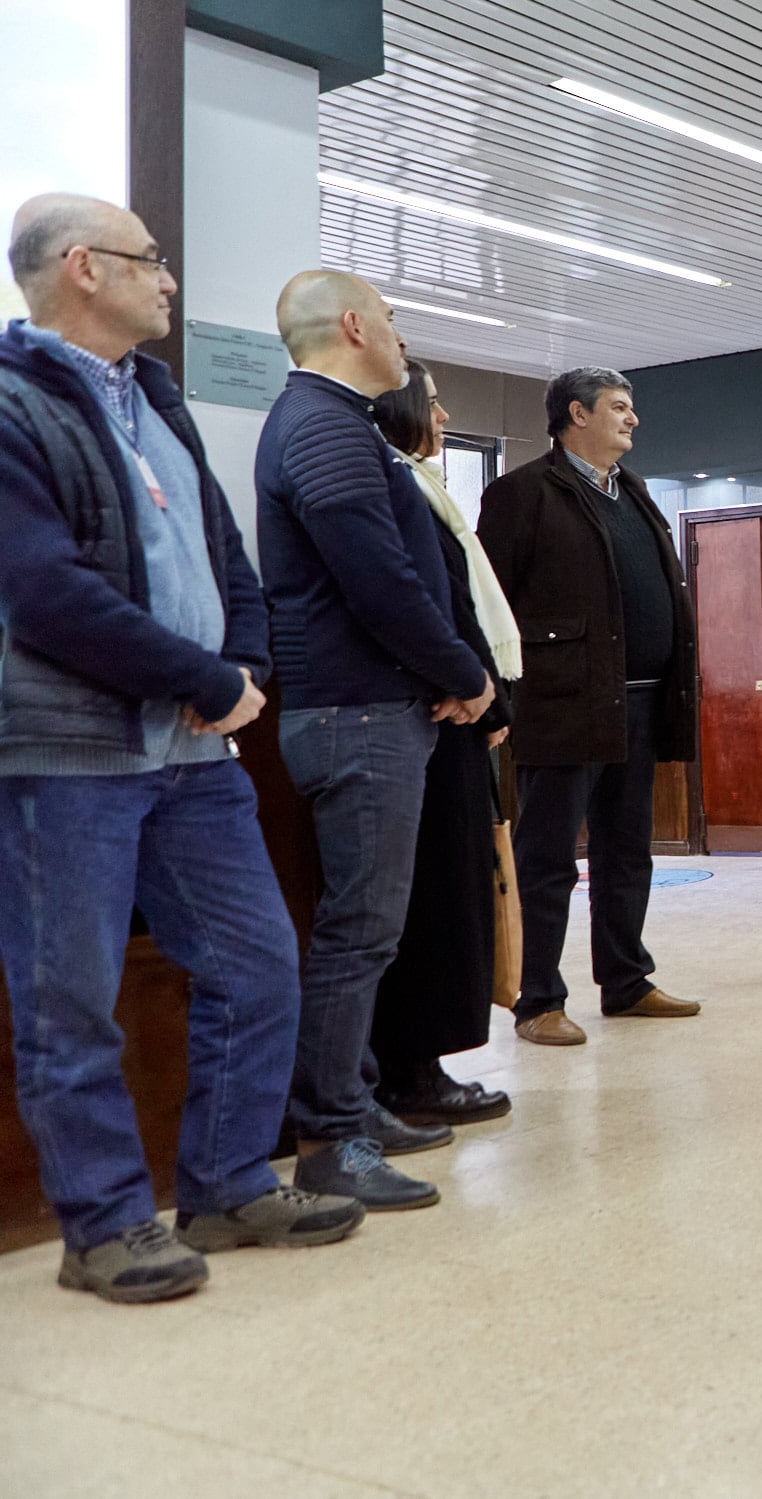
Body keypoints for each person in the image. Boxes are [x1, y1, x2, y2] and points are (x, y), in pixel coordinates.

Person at [0, 196, 363, 1303]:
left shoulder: (157, 401)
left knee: (259, 963)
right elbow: (42, 590)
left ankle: (225, 1180)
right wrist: (204, 677)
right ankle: (104, 1224)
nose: (168, 279)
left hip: (199, 756)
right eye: (148, 260)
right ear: (81, 270)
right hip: (69, 754)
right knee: (71, 1000)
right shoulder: (13, 405)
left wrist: (244, 665)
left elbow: (223, 554)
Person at [259, 270, 497, 1213]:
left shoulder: (337, 423)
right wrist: (464, 675)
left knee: (369, 930)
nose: (402, 339)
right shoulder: (321, 427)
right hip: (357, 716)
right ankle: (332, 1137)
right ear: (353, 326)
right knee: (358, 935)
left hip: (369, 709)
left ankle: (353, 1100)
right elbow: (381, 582)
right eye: (392, 320)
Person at [478, 368, 702, 1042]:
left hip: (638, 703)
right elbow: (490, 603)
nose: (633, 420)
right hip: (562, 704)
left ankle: (626, 981)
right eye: (619, 408)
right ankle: (538, 999)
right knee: (547, 856)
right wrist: (498, 697)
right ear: (576, 413)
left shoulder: (633, 493)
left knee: (627, 851)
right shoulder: (522, 494)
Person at [366, 363, 517, 1128]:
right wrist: (478, 684)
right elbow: (428, 602)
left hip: (460, 706)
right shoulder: (393, 483)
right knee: (434, 899)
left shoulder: (420, 482)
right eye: (431, 401)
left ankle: (423, 1062)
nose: (445, 411)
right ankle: (412, 1069)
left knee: (454, 889)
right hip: (441, 710)